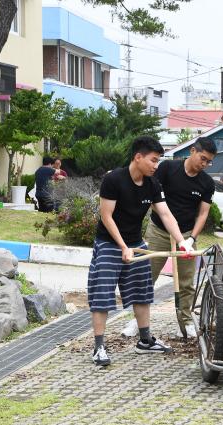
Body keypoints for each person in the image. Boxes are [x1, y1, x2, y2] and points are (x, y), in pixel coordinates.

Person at [88, 136, 194, 367]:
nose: (156, 166)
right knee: (102, 295)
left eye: (158, 161)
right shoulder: (114, 179)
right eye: (153, 160)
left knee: (143, 292)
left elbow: (165, 215)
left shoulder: (152, 183)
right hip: (109, 243)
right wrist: (123, 247)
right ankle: (98, 347)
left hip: (136, 242)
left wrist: (183, 242)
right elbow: (106, 216)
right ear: (138, 157)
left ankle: (145, 341)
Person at [145, 137, 217, 338]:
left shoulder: (206, 183)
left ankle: (185, 321)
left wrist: (192, 238)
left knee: (186, 282)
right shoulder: (168, 168)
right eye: (203, 158)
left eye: (209, 161)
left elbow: (203, 214)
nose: (204, 164)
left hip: (185, 236)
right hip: (159, 230)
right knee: (147, 277)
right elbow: (152, 197)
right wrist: (166, 221)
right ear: (193, 150)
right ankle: (139, 321)